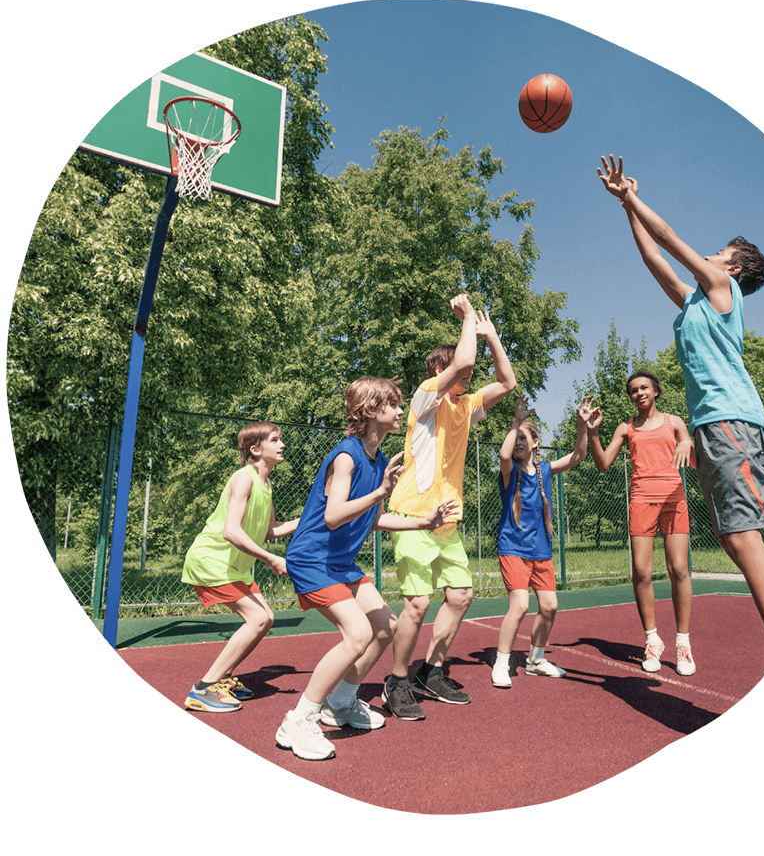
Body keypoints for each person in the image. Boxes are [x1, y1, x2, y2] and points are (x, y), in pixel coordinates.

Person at [596, 155, 764, 657]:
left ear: (732, 268)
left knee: (745, 539)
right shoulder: (695, 301)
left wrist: (632, 196)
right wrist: (626, 208)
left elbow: (667, 237)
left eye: (716, 252)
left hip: (730, 421)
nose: (706, 256)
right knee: (737, 541)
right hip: (716, 425)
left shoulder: (722, 287)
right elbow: (654, 259)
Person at [276, 377, 459, 760]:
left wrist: (423, 523)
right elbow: (333, 516)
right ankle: (298, 720)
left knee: (386, 626)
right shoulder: (346, 456)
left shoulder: (377, 463)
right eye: (392, 404)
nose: (399, 410)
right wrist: (380, 493)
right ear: (372, 410)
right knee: (357, 633)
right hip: (313, 559)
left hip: (340, 562)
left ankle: (340, 702)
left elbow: (374, 521)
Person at [383, 294, 517, 720]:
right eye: (461, 369)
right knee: (417, 605)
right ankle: (397, 681)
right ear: (441, 372)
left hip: (446, 519)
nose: (469, 373)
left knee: (460, 596)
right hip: (412, 518)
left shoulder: (465, 405)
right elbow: (462, 364)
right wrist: (466, 319)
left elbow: (507, 383)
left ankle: (431, 671)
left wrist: (492, 336)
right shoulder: (425, 399)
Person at [586, 371, 697, 675]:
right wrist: (593, 433)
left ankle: (683, 643)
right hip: (641, 500)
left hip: (674, 499)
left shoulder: (674, 422)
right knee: (641, 572)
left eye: (644, 388)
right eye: (634, 390)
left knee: (679, 569)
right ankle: (652, 640)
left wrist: (687, 443)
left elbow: (688, 445)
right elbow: (602, 464)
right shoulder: (625, 428)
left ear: (656, 391)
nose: (639, 393)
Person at [182, 421, 297, 712]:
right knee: (258, 619)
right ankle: (204, 688)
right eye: (275, 439)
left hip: (234, 567)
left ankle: (224, 679)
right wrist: (271, 559)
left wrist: (312, 518)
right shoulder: (244, 478)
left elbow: (270, 530)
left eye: (281, 439)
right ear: (256, 449)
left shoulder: (266, 483)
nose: (281, 444)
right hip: (213, 561)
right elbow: (231, 531)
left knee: (265, 618)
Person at [491, 394, 592, 689]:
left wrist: (582, 425)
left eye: (525, 437)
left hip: (540, 552)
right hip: (513, 548)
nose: (519, 442)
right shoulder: (510, 474)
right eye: (516, 438)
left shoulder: (546, 470)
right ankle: (501, 662)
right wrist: (516, 422)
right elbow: (503, 456)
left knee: (549, 606)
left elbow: (578, 455)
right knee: (519, 605)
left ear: (536, 442)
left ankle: (535, 660)